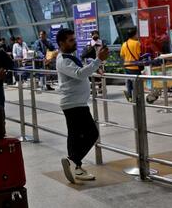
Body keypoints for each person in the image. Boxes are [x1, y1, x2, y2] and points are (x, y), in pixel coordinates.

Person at [56, 28, 109, 183]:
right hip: (74, 104)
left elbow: (80, 72)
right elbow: (80, 74)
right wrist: (98, 60)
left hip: (76, 103)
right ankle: (73, 161)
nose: (75, 42)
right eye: (71, 40)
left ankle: (76, 167)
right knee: (91, 134)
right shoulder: (64, 60)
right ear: (61, 43)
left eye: (74, 39)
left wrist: (94, 67)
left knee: (75, 136)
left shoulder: (68, 57)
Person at [120, 27, 141, 102]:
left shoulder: (124, 44)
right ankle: (137, 97)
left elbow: (122, 55)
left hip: (127, 66)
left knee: (129, 82)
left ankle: (130, 96)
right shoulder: (137, 43)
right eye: (137, 33)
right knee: (137, 83)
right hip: (135, 67)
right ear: (134, 35)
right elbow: (138, 55)